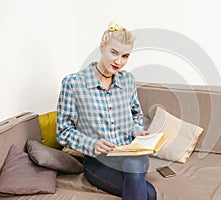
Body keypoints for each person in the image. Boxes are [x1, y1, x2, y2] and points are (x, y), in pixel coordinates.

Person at [56, 22, 157, 200]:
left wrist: (138, 131)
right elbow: (63, 131)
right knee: (149, 193)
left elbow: (136, 115)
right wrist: (91, 144)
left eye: (125, 56)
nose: (119, 61)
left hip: (130, 155)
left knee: (134, 164)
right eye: (114, 53)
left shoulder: (128, 80)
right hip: (99, 162)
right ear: (102, 46)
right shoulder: (73, 83)